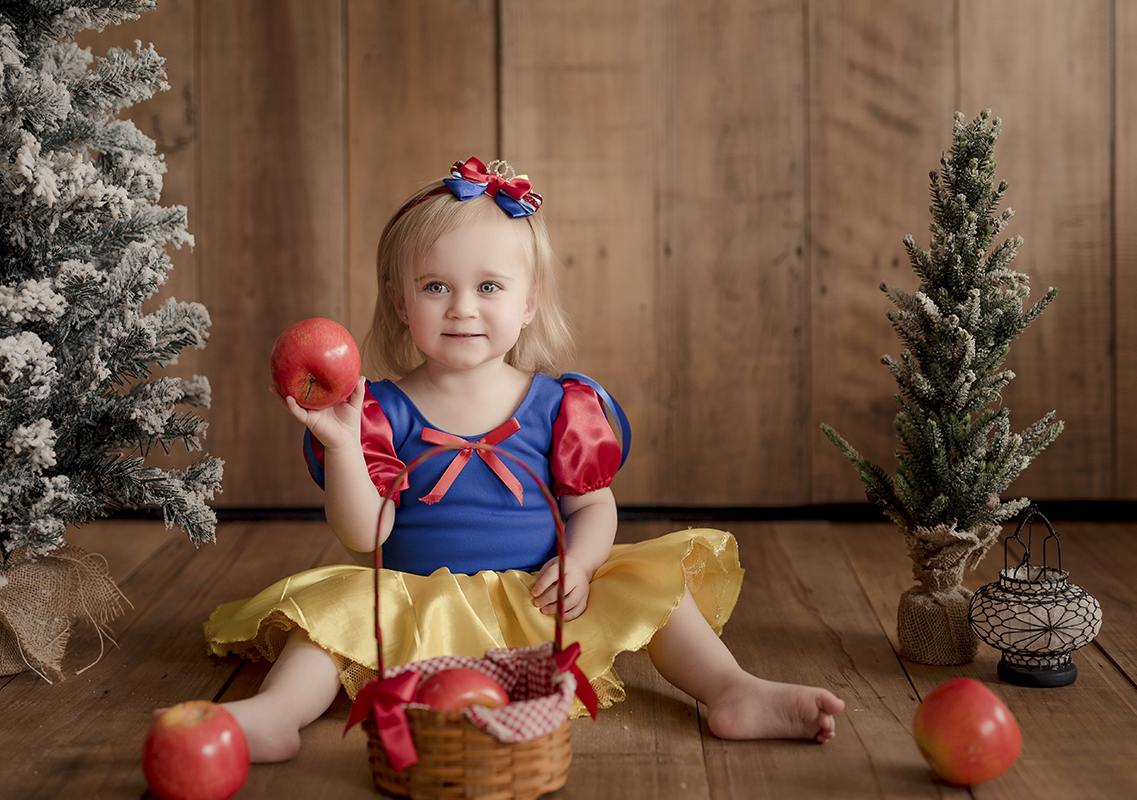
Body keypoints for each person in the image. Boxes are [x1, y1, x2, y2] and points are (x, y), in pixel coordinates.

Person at [202, 157, 845, 762]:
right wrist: (342, 447)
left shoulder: (559, 405)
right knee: (320, 628)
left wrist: (582, 563)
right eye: (435, 287)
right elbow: (364, 533)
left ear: (529, 300)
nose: (462, 307)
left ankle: (732, 690)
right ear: (401, 303)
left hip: (540, 595)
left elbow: (592, 504)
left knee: (658, 593)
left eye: (488, 286)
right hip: (415, 598)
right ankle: (276, 713)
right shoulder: (379, 412)